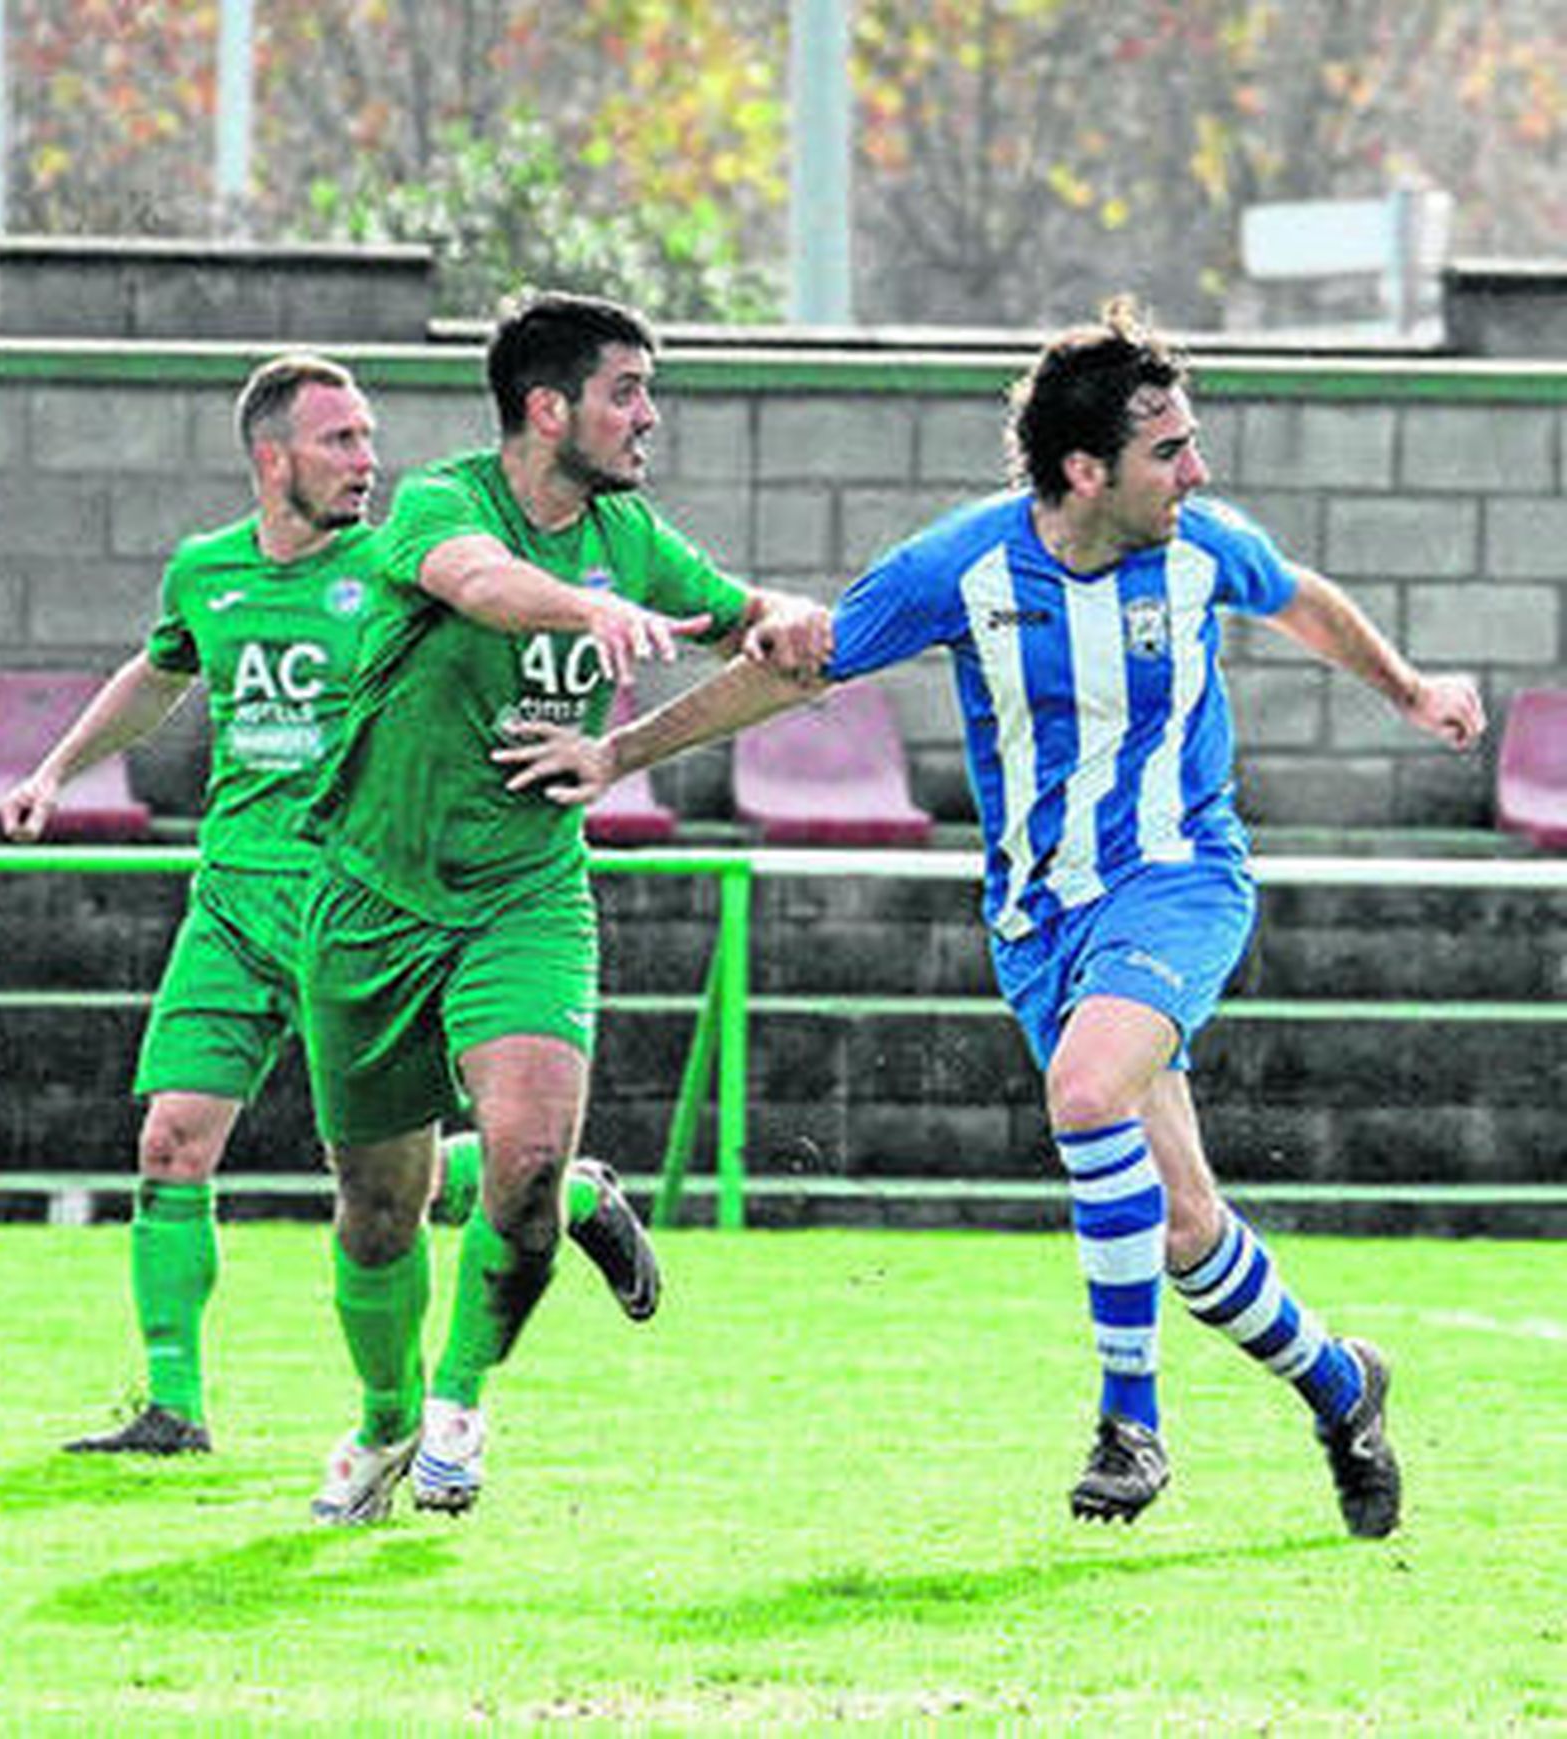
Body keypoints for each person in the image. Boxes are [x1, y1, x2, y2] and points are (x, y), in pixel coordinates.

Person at [498, 296, 1487, 1539]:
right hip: (1039, 922)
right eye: (1169, 450)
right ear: (1085, 470)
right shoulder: (958, 565)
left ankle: (1130, 1424)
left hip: (1180, 882)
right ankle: (1344, 1388)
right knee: (1182, 1229)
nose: (1199, 468)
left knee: (1082, 1098)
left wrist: (1407, 691)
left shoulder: (1199, 547)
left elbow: (1299, 597)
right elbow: (794, 669)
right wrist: (620, 750)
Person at [0, 353, 654, 1458]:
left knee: (368, 1177)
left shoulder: (401, 570)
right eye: (341, 440)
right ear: (273, 457)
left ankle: (569, 1194)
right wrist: (54, 769)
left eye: (369, 437)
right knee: (170, 1138)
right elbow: (159, 673)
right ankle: (172, 1406)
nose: (368, 460)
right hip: (231, 902)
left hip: (354, 898)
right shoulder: (207, 570)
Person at [298, 290, 831, 1526]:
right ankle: (381, 1421)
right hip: (371, 898)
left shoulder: (631, 533)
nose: (649, 415)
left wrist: (782, 616)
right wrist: (584, 607)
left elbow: (757, 632)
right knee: (381, 1208)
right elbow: (476, 583)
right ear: (549, 409)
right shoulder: (441, 501)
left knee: (523, 1169)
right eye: (626, 392)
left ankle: (457, 1408)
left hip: (526, 896)